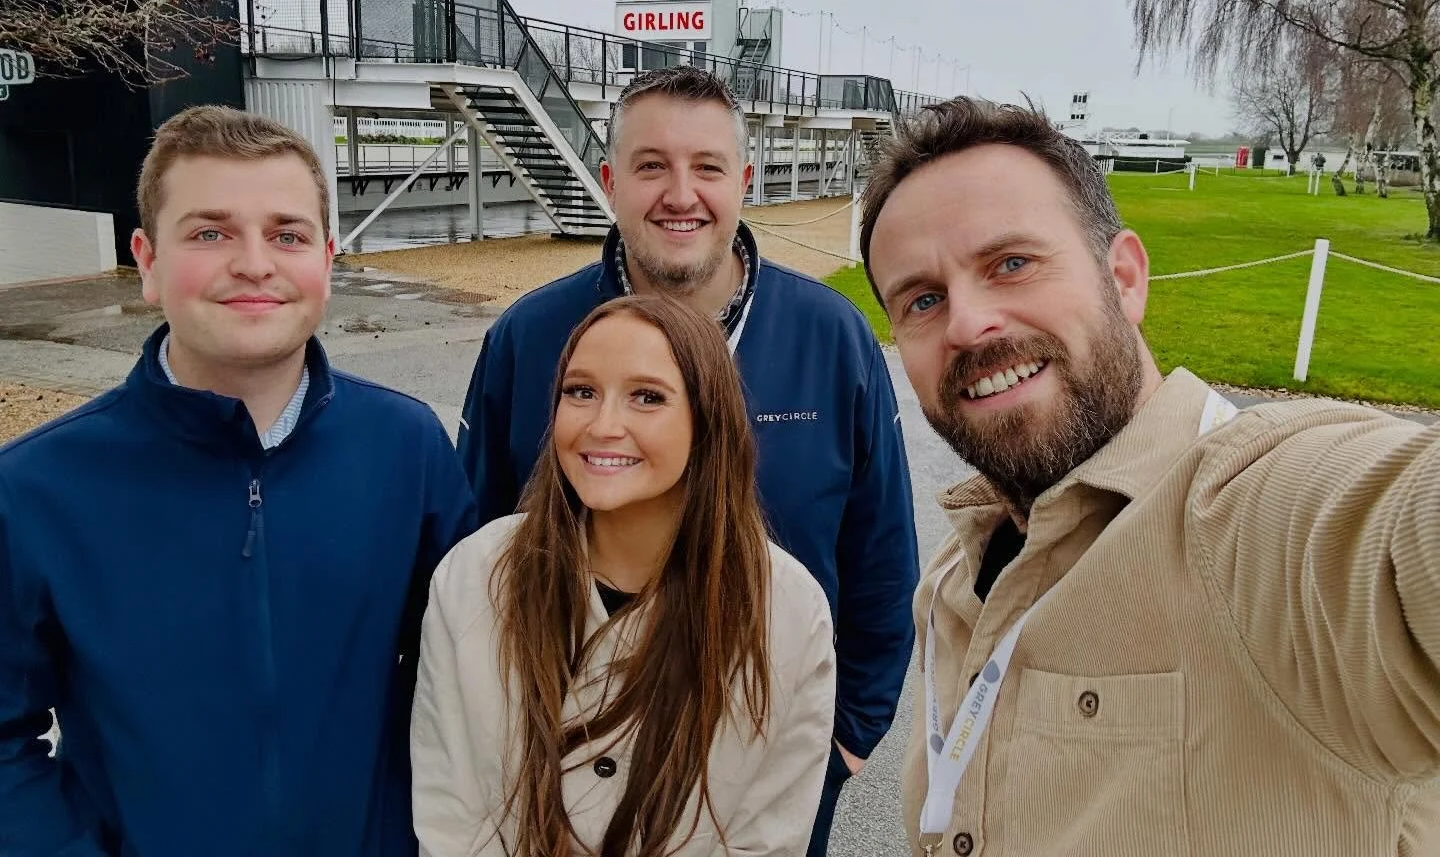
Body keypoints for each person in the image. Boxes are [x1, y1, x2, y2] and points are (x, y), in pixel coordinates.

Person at [858, 96, 1440, 857]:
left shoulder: (1251, 511)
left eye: (1011, 264)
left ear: (1126, 277)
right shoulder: (954, 574)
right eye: (923, 300)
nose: (967, 324)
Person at [456, 65, 920, 852]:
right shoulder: (528, 340)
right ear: (609, 180)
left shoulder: (831, 340)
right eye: (650, 166)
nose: (681, 194)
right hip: (567, 761)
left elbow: (880, 556)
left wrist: (849, 735)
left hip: (772, 758)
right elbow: (475, 554)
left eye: (706, 167)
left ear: (743, 180)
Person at [0, 106, 477, 857]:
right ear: (147, 261)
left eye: (286, 235)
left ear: (326, 259)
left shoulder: (410, 449)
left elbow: (465, 679)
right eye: (210, 233)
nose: (254, 263)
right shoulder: (33, 490)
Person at [413, 294, 837, 856]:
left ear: (707, 417)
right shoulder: (473, 576)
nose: (603, 425)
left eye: (647, 397)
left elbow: (768, 836)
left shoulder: (786, 611)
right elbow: (451, 810)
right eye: (581, 392)